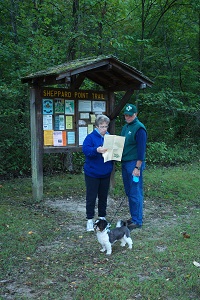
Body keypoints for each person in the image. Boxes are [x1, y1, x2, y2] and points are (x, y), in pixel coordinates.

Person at [82, 115, 113, 231]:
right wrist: (96, 150)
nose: (104, 129)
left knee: (103, 196)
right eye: (101, 127)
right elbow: (85, 150)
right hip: (92, 173)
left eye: (106, 126)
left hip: (105, 172)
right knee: (91, 196)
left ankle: (102, 217)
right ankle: (90, 219)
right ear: (96, 126)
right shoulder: (91, 137)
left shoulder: (110, 137)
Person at [121, 103, 147, 230]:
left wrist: (137, 167)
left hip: (134, 164)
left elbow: (141, 150)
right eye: (126, 115)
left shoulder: (139, 128)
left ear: (135, 114)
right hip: (125, 162)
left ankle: (137, 220)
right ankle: (134, 216)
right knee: (129, 191)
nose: (127, 117)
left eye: (130, 115)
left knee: (135, 191)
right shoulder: (126, 127)